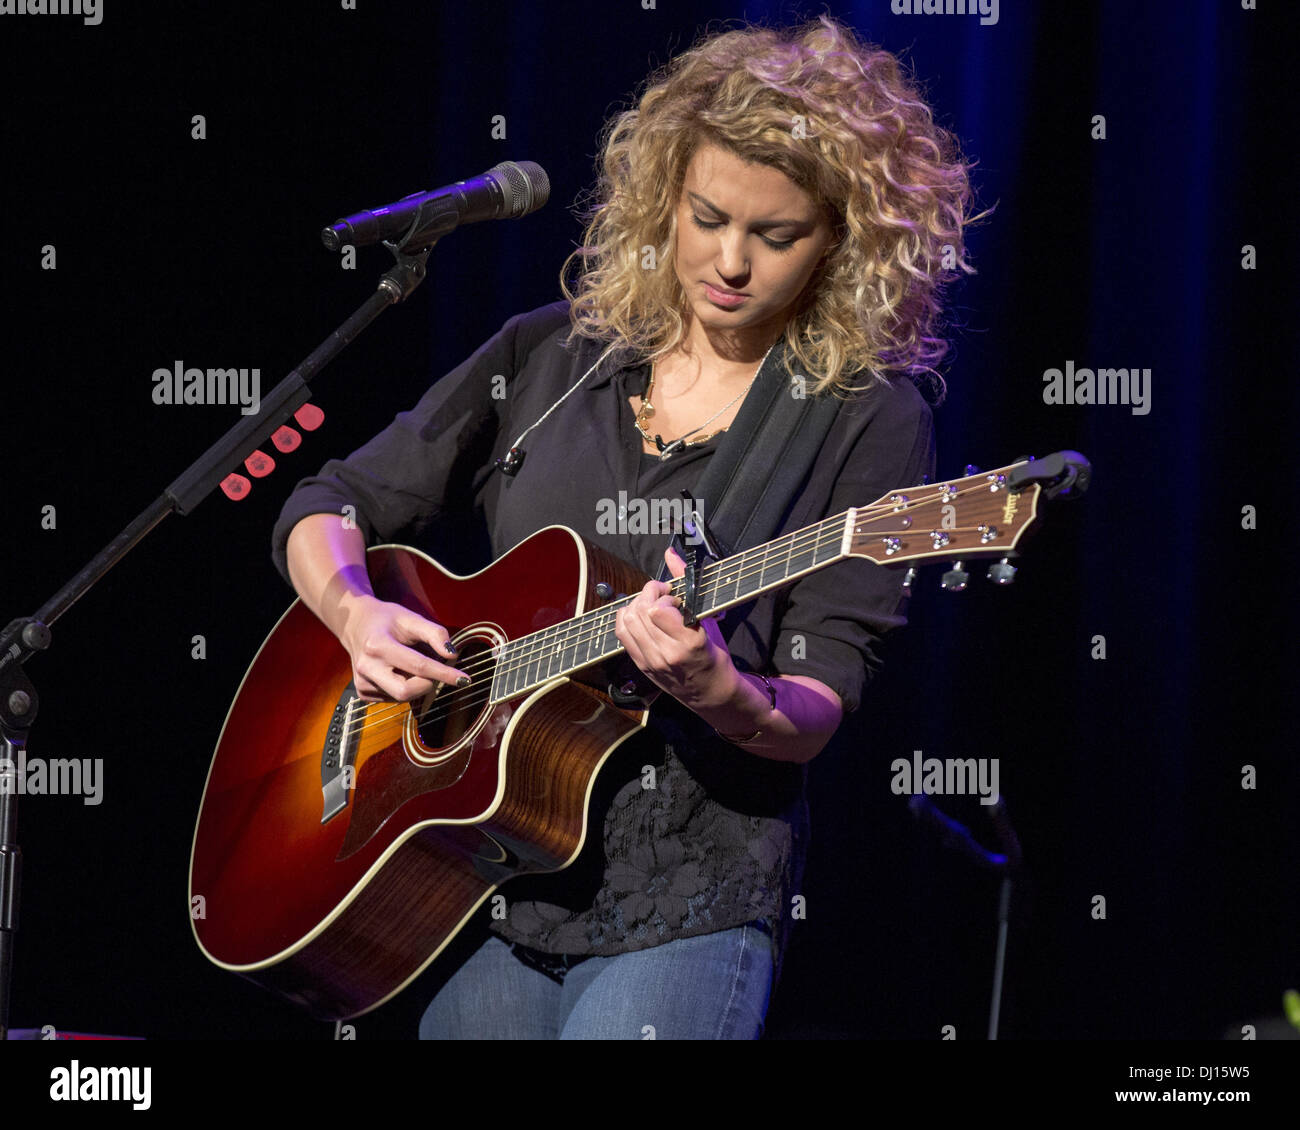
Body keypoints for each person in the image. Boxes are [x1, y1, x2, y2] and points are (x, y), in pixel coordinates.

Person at [271, 15, 975, 1039]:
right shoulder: (553, 359)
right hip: (498, 893)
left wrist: (712, 684)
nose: (730, 262)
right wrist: (353, 616)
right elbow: (327, 502)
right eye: (707, 217)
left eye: (775, 236)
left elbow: (816, 704)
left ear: (839, 245)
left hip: (686, 901)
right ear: (664, 200)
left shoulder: (863, 415)